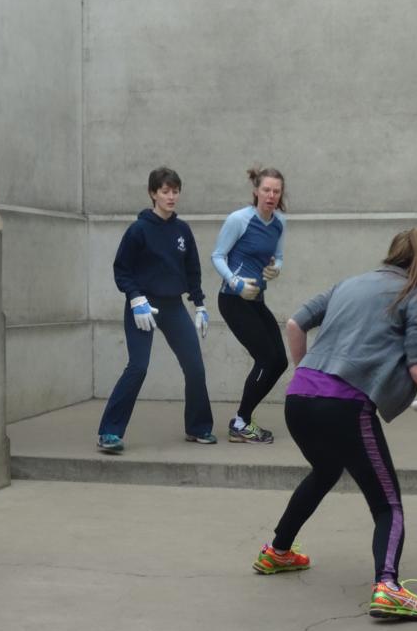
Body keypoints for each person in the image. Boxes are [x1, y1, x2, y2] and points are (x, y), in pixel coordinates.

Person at [252, 229, 417, 621]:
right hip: (345, 405)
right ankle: (388, 587)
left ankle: (277, 552)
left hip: (299, 400)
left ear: (391, 254)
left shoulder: (350, 283)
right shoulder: (415, 296)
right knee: (388, 505)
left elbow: (295, 324)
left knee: (325, 471)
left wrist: (306, 373)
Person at [97, 167, 214, 453]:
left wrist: (199, 305)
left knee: (195, 366)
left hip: (173, 305)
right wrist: (136, 299)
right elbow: (122, 270)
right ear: (153, 194)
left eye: (175, 191)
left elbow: (192, 270)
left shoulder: (182, 230)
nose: (171, 196)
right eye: (165, 191)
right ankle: (109, 432)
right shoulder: (138, 230)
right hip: (143, 307)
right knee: (138, 367)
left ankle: (198, 427)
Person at [211, 167, 289, 444]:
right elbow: (217, 256)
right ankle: (241, 421)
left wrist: (275, 269)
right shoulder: (239, 220)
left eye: (276, 191)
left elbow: (277, 256)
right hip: (232, 300)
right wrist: (236, 283)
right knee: (266, 357)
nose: (271, 195)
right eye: (266, 190)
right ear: (256, 191)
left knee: (280, 360)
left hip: (256, 300)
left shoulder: (279, 222)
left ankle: (243, 420)